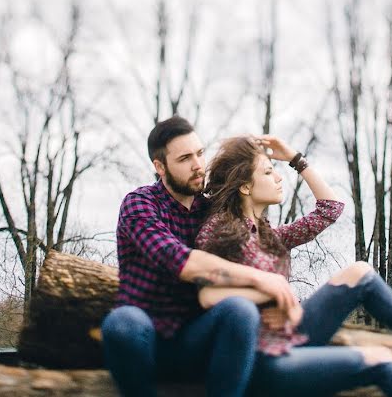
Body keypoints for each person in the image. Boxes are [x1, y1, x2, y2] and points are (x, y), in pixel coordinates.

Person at [195, 134, 392, 397]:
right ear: (245, 186)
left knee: (360, 272)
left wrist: (296, 159)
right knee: (380, 358)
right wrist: (275, 291)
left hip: (290, 336)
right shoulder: (220, 230)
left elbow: (330, 209)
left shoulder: (270, 235)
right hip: (261, 361)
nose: (278, 178)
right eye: (269, 172)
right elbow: (207, 296)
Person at [99, 116, 303, 397]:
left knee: (239, 310)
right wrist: (263, 279)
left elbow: (255, 245)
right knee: (123, 323)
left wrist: (275, 301)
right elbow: (181, 261)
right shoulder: (140, 204)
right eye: (184, 158)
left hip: (198, 339)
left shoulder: (213, 212)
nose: (197, 164)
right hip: (146, 340)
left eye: (200, 153)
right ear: (160, 167)